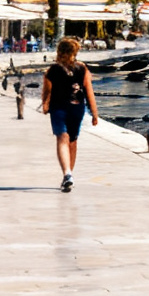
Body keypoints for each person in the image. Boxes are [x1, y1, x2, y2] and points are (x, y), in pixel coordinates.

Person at [39, 37, 98, 192]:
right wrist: (94, 113)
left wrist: (45, 104)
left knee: (62, 139)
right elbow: (88, 91)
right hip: (77, 108)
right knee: (71, 140)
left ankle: (67, 174)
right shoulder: (82, 68)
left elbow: (47, 90)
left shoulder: (52, 70)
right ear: (75, 52)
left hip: (58, 107)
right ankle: (68, 174)